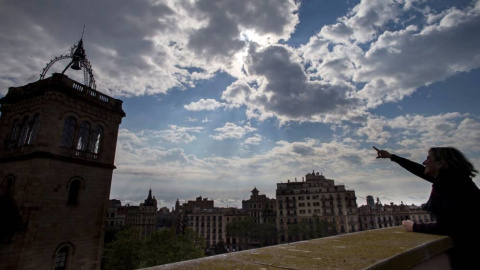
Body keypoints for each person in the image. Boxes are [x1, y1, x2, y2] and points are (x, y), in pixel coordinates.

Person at [373, 146, 480, 269]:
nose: (424, 162)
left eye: (428, 158)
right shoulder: (456, 179)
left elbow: (449, 226)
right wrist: (391, 156)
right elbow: (418, 169)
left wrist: (414, 226)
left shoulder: (447, 185)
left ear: (441, 163)